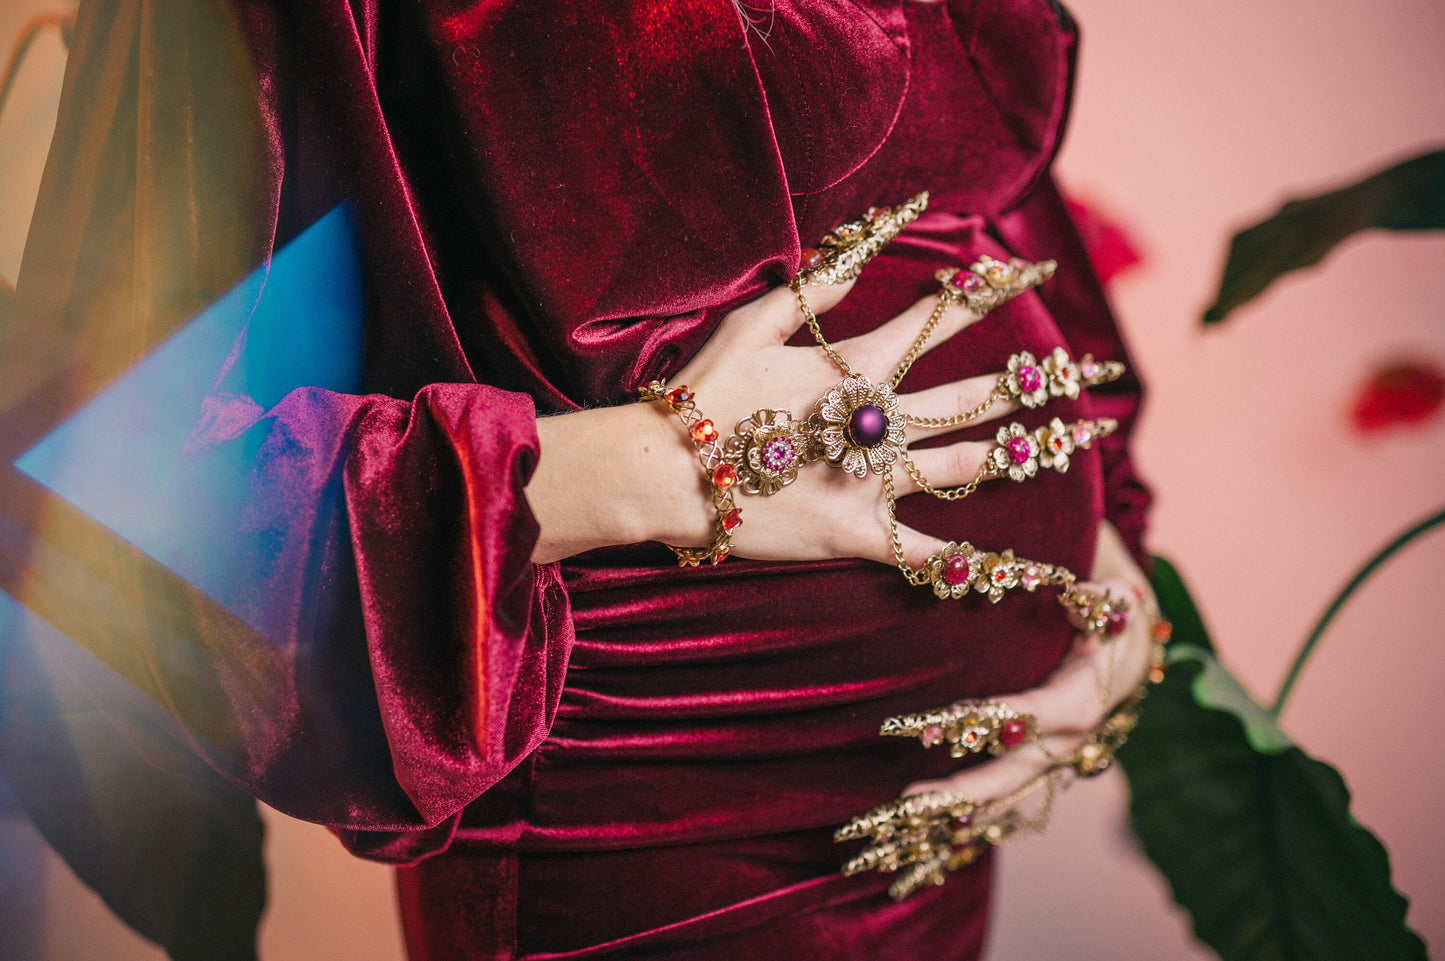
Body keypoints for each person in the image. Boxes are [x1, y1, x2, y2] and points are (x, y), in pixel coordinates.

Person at [7, 0, 1159, 958]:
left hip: (942, 818)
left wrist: (1102, 541)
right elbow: (114, 468)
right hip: (650, 820)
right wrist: (652, 469)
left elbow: (983, 210)